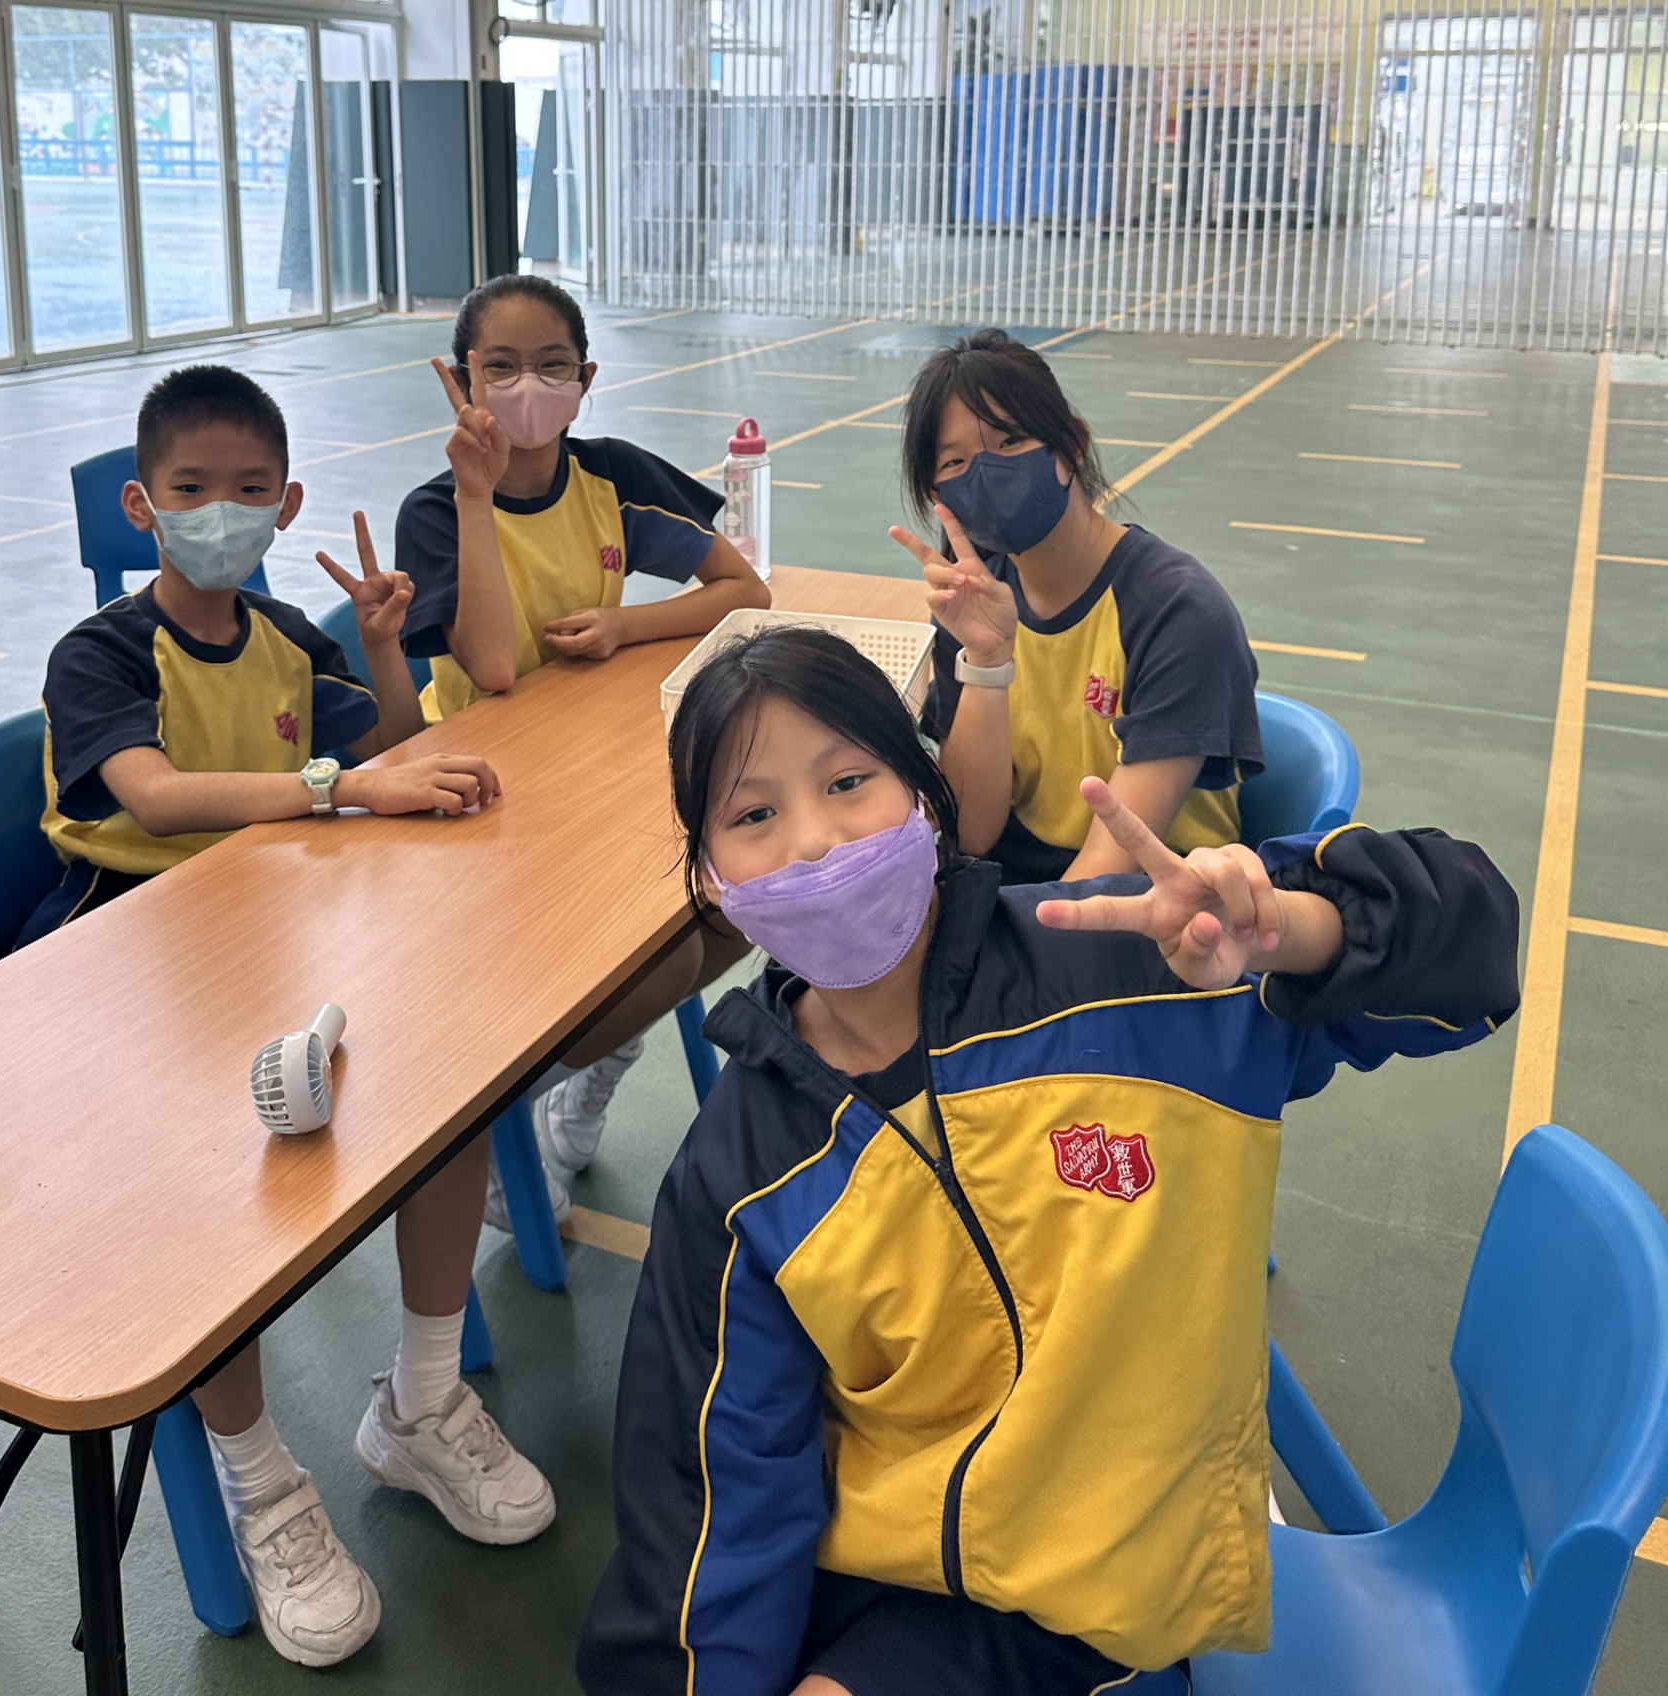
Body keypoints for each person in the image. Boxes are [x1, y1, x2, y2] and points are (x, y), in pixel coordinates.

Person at [578, 627, 1520, 1696]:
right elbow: (709, 1508)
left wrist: (1289, 931)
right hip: (899, 1594)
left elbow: (1475, 957)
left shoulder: (1138, 972)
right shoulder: (742, 1168)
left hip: (1105, 1603)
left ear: (926, 797)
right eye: (754, 816)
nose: (815, 843)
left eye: (848, 782)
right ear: (712, 883)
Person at [32, 364, 555, 1671]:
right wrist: (340, 788)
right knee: (214, 1187)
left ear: (288, 502)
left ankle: (421, 1400)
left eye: (250, 489)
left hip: (275, 934)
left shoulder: (284, 637)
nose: (223, 511)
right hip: (125, 964)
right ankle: (259, 1476)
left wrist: (380, 650)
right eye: (193, 488)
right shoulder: (101, 652)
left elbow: (385, 753)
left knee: (450, 1072)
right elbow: (158, 799)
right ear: (145, 506)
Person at [396, 275, 767, 1191]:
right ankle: (502, 1114)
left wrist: (622, 624)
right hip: (476, 790)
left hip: (588, 760)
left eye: (552, 365)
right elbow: (492, 668)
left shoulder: (611, 477)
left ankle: (589, 1061)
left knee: (742, 902)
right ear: (463, 379)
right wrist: (476, 496)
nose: (528, 387)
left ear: (586, 377)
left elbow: (742, 590)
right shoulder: (435, 511)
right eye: (501, 368)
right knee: (666, 954)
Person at [890, 327, 1260, 879]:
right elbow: (972, 833)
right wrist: (987, 661)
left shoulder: (1178, 613)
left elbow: (1111, 867)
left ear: (1073, 444)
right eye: (955, 462)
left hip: (1146, 897)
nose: (987, 473)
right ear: (937, 495)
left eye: (1010, 441)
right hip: (1016, 881)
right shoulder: (971, 607)